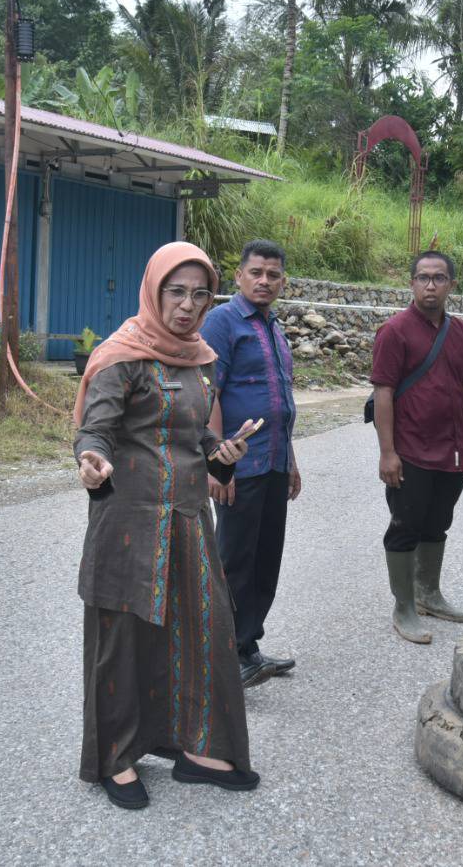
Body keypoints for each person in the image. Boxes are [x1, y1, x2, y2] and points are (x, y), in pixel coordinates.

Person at [73, 241, 258, 811]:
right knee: (122, 639)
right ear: (154, 290)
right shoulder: (121, 356)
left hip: (187, 520)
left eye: (200, 294)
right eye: (176, 291)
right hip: (128, 523)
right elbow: (95, 429)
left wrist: (219, 454)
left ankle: (194, 746)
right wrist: (90, 457)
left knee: (201, 629)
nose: (188, 305)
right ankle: (115, 759)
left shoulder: (200, 358)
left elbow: (194, 437)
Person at [199, 239, 301, 689]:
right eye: (256, 272)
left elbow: (281, 402)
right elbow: (210, 393)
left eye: (273, 274)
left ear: (282, 281)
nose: (264, 281)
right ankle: (223, 656)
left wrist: (291, 461)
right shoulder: (222, 322)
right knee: (234, 561)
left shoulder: (274, 326)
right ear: (239, 276)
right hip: (239, 464)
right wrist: (217, 463)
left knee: (265, 560)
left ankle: (248, 647)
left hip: (274, 462)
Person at [371, 250, 463, 644]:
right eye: (422, 278)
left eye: (438, 278)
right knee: (405, 527)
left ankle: (429, 594)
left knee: (438, 524)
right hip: (411, 451)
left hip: (451, 451)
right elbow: (383, 393)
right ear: (411, 283)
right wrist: (387, 452)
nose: (429, 285)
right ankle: (404, 606)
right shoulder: (395, 331)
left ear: (451, 284)